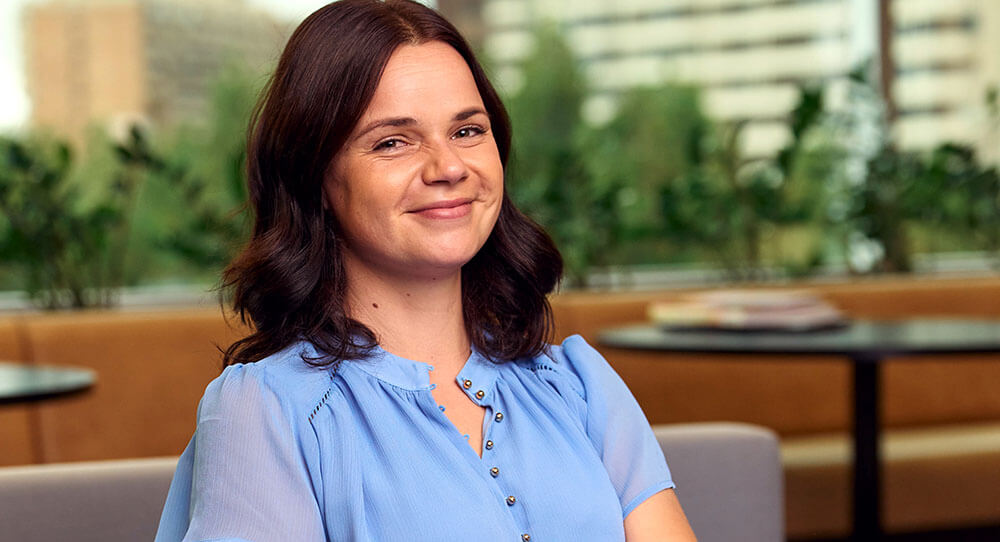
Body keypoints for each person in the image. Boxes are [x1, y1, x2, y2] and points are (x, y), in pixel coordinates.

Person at [155, 1, 697, 540]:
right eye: (393, 141)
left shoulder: (580, 387)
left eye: (467, 131)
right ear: (314, 175)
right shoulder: (263, 411)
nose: (449, 167)